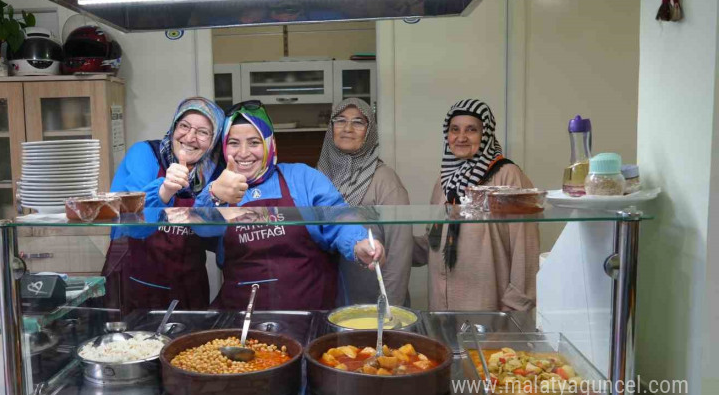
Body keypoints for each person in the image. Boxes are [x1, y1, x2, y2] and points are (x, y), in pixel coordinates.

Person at [197, 104, 385, 310]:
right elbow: (201, 228)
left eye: (254, 142)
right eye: (234, 143)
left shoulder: (302, 177)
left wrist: (358, 242)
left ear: (270, 144)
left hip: (309, 313)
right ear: (224, 148)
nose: (243, 153)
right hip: (242, 318)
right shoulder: (220, 187)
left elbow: (339, 217)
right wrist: (214, 193)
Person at [102, 97, 225, 315]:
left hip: (189, 288)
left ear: (214, 141)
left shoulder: (214, 172)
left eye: (203, 132)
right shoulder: (144, 154)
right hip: (135, 284)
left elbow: (216, 238)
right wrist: (164, 191)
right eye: (184, 126)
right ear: (174, 126)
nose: (190, 137)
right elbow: (134, 225)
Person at [415, 99, 539, 311]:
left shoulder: (508, 176)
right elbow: (434, 242)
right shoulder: (444, 181)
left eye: (471, 129)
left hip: (489, 308)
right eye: (455, 129)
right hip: (441, 306)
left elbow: (525, 250)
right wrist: (390, 244)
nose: (461, 137)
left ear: (485, 135)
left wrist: (515, 308)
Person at [317, 98, 413, 306]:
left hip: (374, 302)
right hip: (328, 299)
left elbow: (399, 253)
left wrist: (390, 309)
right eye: (340, 120)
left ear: (370, 132)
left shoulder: (385, 180)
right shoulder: (318, 178)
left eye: (358, 122)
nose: (347, 128)